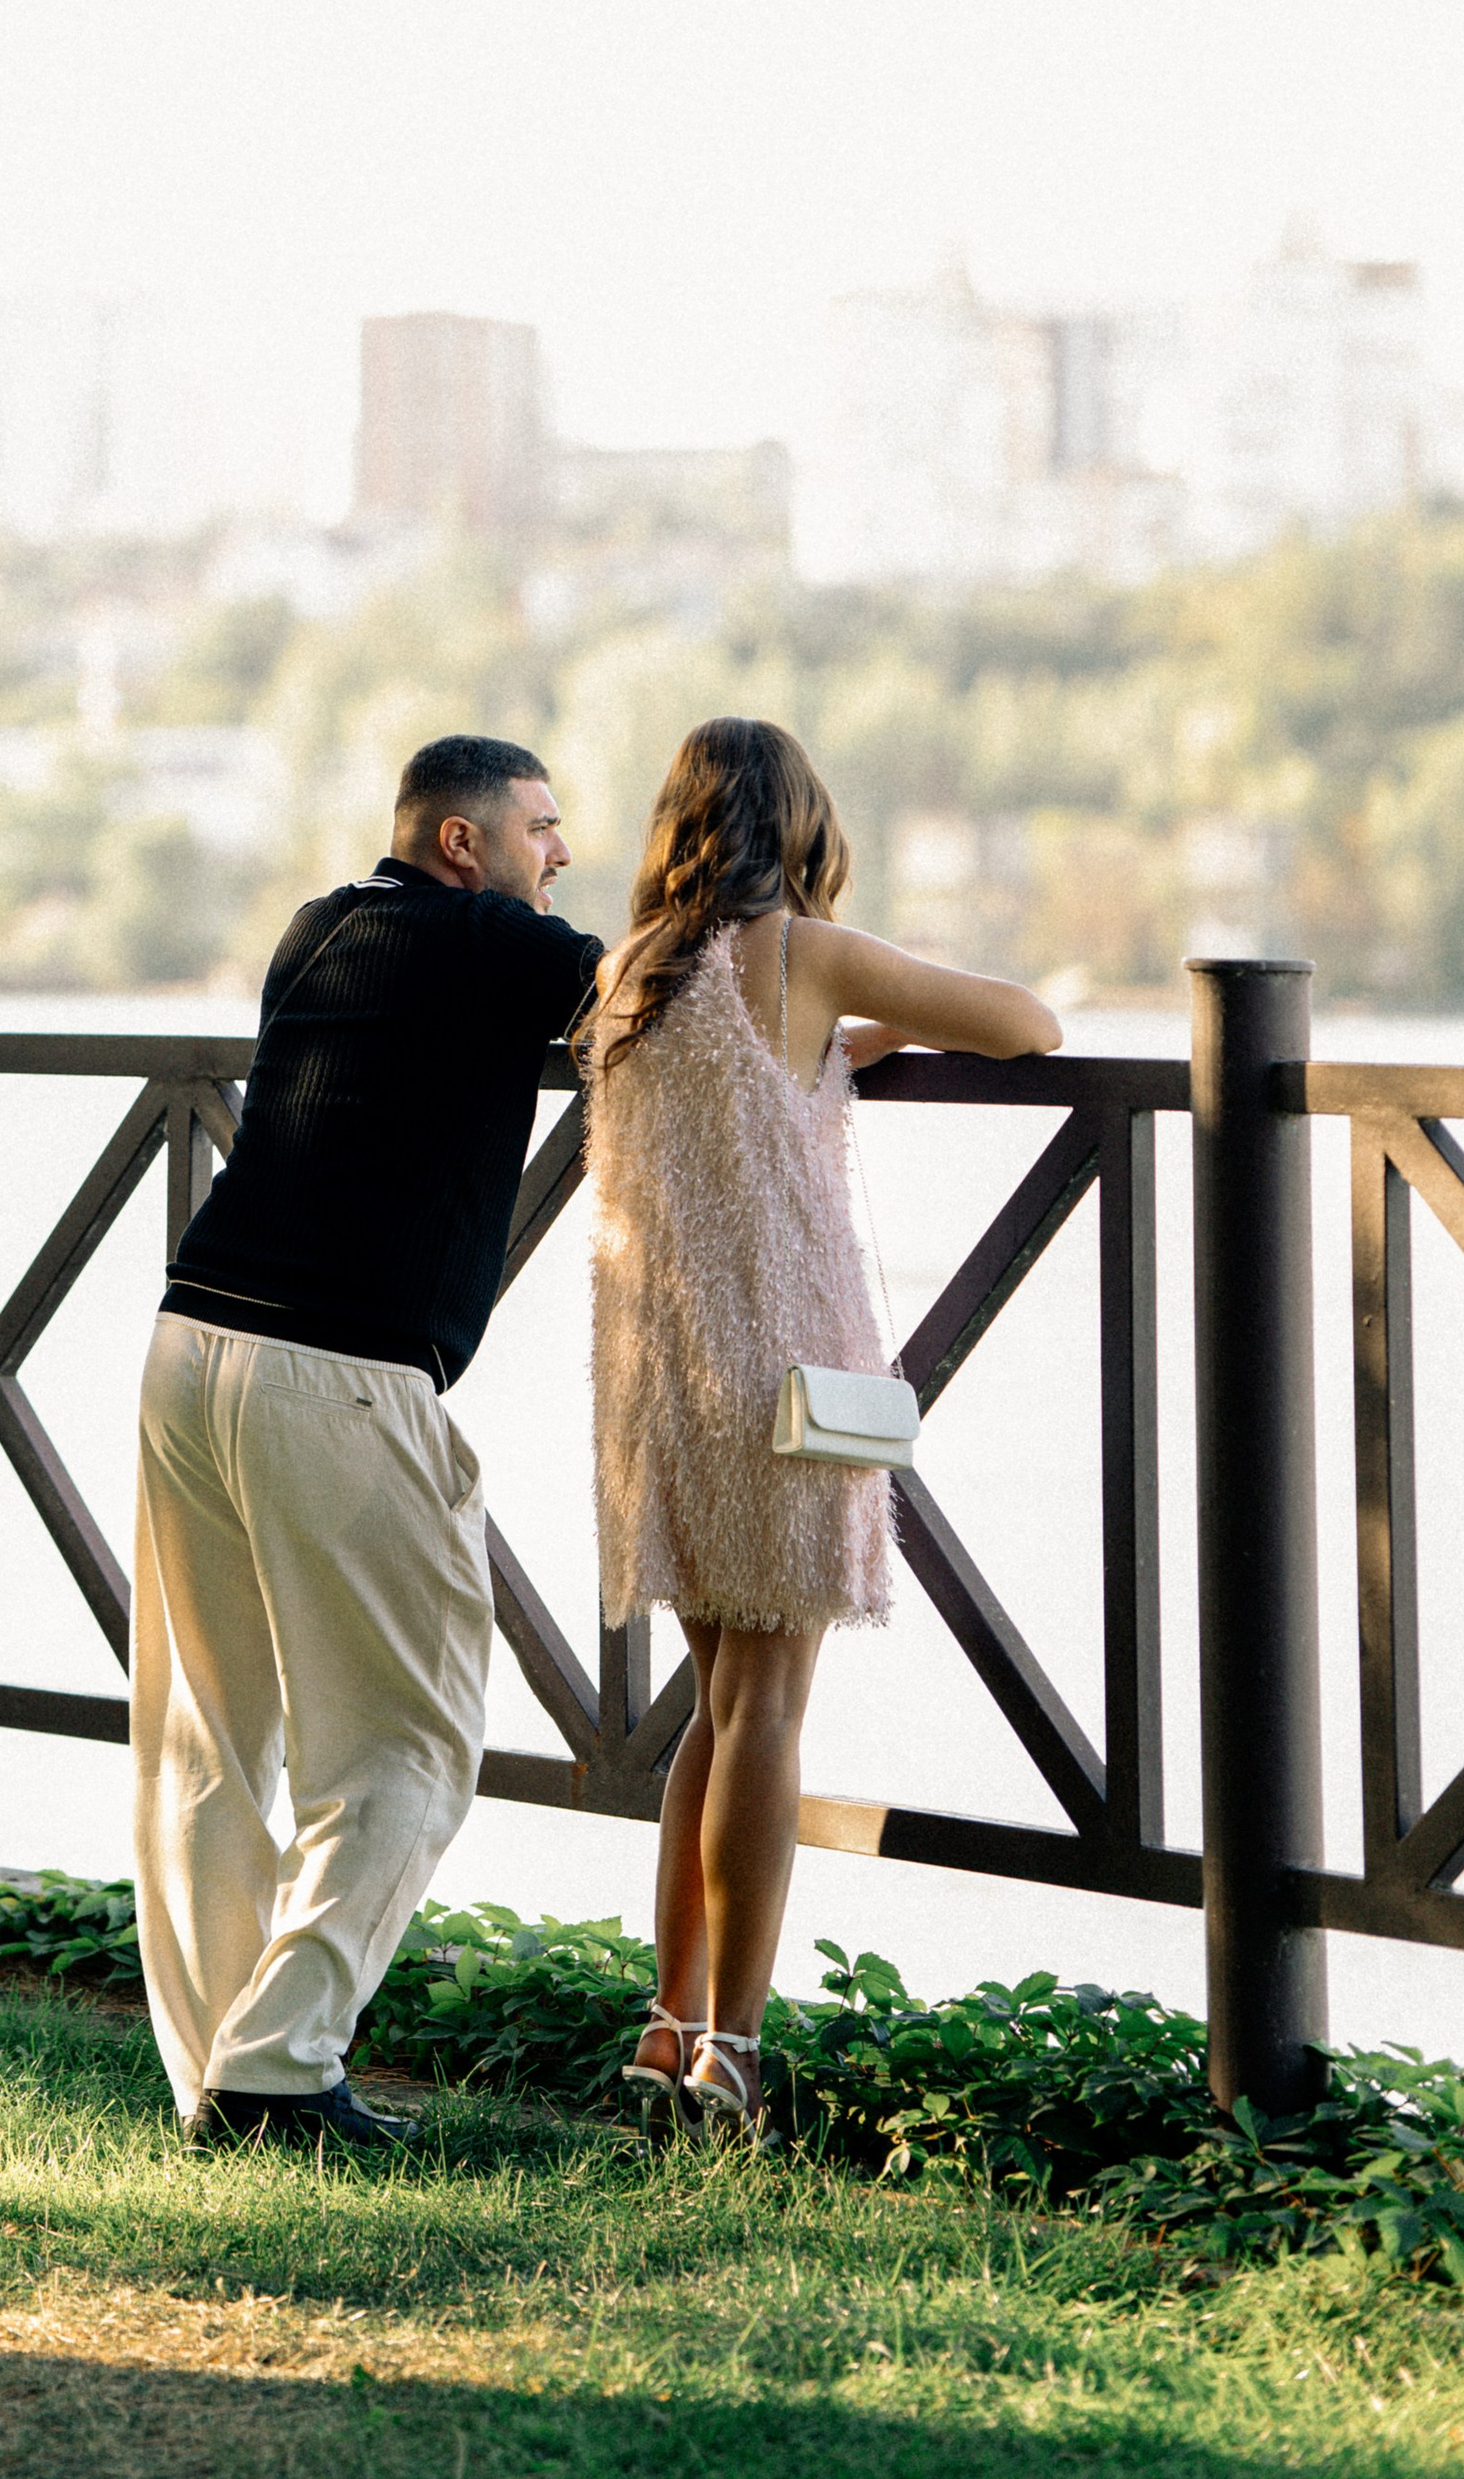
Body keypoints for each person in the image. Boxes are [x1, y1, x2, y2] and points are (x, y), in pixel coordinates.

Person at [581, 715, 1060, 2131]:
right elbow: (1032, 1022)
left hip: (661, 1390)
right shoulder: (802, 951)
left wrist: (859, 1036)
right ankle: (736, 2044)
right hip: (787, 1388)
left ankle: (671, 2026)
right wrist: (876, 1016)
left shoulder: (628, 979)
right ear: (796, 825)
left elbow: (761, 1074)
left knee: (710, 1716)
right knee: (768, 1709)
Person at [132, 732, 602, 2153]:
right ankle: (280, 2067)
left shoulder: (316, 929)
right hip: (332, 1370)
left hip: (190, 1343)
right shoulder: (493, 940)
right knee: (410, 1735)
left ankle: (223, 2065)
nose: (561, 853)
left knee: (209, 1739)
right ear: (462, 843)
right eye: (542, 825)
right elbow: (676, 1000)